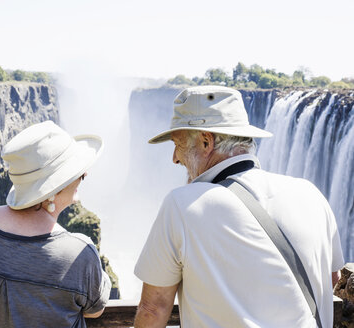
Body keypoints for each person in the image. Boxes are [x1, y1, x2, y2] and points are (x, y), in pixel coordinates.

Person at [134, 86, 344, 328]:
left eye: (178, 144)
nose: (174, 158)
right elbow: (331, 279)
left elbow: (153, 309)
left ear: (205, 142)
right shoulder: (311, 194)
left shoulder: (182, 205)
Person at [0, 121, 111, 327]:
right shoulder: (78, 254)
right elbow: (95, 310)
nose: (85, 175)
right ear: (54, 189)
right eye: (79, 173)